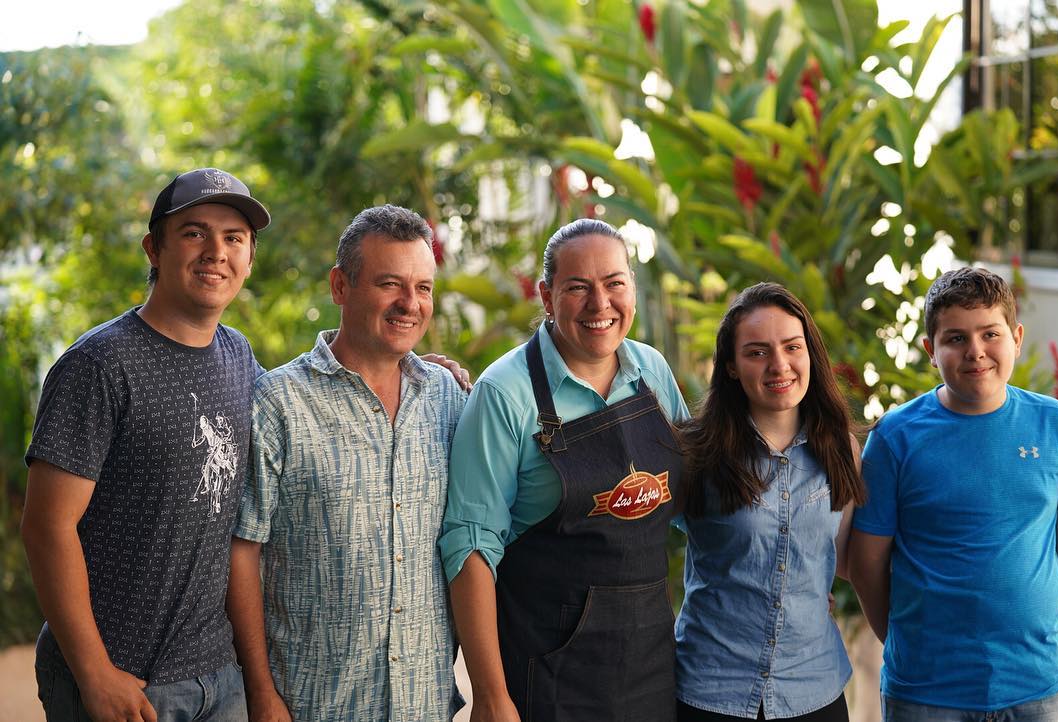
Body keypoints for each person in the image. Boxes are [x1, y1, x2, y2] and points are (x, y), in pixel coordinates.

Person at [21, 168, 270, 721]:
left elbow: (305, 408)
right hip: (123, 682)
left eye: (234, 239)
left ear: (250, 258)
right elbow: (45, 527)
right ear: (153, 248)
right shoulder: (99, 365)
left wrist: (412, 369)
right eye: (193, 233)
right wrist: (94, 673)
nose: (216, 252)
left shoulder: (238, 356)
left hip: (217, 677)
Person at [440, 218, 689, 722]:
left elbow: (693, 506)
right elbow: (469, 550)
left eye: (614, 284)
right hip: (547, 673)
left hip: (651, 667)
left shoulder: (652, 372)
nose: (600, 305)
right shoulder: (504, 393)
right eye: (578, 288)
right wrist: (491, 696)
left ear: (632, 291)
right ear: (547, 296)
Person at [227, 205, 467, 722]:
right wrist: (262, 693)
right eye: (390, 284)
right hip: (312, 704)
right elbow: (241, 552)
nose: (410, 304)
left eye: (423, 288)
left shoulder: (448, 399)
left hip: (424, 704)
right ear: (340, 286)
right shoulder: (278, 403)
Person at [848, 266, 1058, 722]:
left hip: (1035, 689)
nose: (975, 352)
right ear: (930, 351)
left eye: (989, 334)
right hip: (926, 693)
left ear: (1015, 336)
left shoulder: (1055, 425)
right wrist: (902, 642)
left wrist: (1056, 626)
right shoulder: (896, 437)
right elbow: (865, 564)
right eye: (955, 339)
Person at [674, 282, 865, 722]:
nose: (779, 365)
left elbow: (843, 558)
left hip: (813, 690)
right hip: (710, 690)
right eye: (757, 352)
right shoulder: (693, 452)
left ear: (810, 355)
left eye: (791, 347)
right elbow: (633, 544)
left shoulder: (842, 450)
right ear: (731, 367)